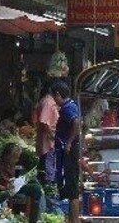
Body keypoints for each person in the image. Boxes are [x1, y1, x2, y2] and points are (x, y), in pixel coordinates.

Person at [0, 142, 42, 223]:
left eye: (17, 157)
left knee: (36, 188)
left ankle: (33, 220)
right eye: (14, 157)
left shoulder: (14, 165)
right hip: (1, 191)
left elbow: (14, 179)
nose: (16, 160)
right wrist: (3, 188)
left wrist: (19, 180)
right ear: (6, 156)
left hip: (13, 188)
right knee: (9, 193)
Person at [51, 81, 81, 223]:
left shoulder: (67, 108)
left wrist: (68, 142)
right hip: (69, 150)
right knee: (70, 186)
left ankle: (73, 220)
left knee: (72, 187)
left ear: (58, 94)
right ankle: (71, 219)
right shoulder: (72, 105)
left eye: (54, 97)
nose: (54, 100)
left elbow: (76, 123)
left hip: (69, 151)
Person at [31, 83, 59, 186]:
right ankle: (48, 185)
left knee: (47, 163)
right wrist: (51, 135)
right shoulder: (48, 102)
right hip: (48, 140)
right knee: (48, 164)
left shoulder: (46, 101)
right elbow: (44, 121)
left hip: (47, 139)